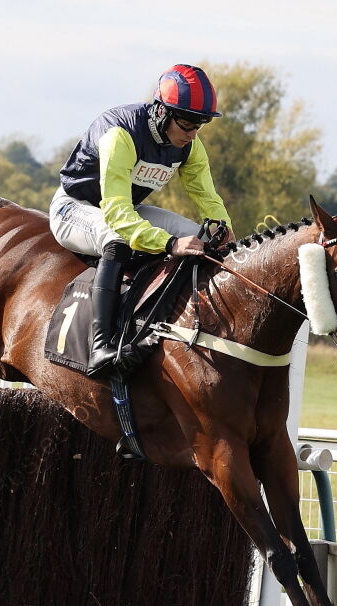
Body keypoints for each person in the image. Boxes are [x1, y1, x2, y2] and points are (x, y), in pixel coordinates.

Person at [49, 63, 236, 377]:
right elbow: (117, 213)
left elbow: (206, 195)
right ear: (162, 112)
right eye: (186, 124)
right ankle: (100, 346)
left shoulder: (189, 146)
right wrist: (169, 243)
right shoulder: (120, 135)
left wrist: (222, 227)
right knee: (117, 237)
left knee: (203, 241)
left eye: (199, 126)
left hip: (126, 210)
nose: (192, 134)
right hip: (74, 208)